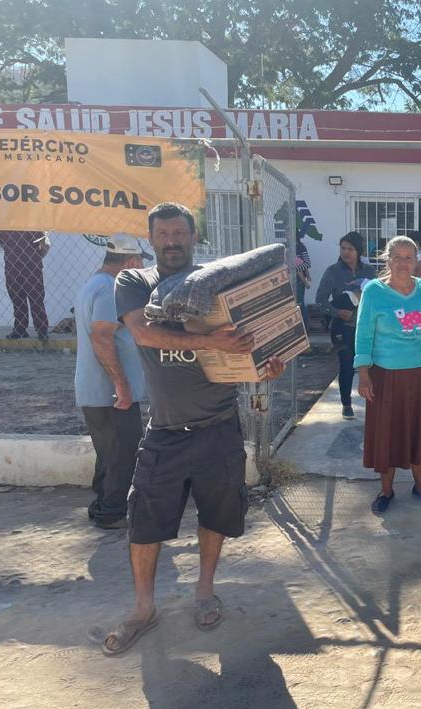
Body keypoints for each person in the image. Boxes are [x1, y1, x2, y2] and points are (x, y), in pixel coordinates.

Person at [102, 202, 285, 656]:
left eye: (179, 232)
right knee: (143, 523)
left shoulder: (215, 285)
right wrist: (209, 340)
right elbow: (144, 334)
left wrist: (265, 364)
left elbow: (242, 352)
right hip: (164, 430)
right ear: (150, 240)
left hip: (219, 426)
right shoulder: (135, 282)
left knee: (216, 516)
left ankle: (204, 591)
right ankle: (144, 607)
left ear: (192, 236)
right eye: (162, 233)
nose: (171, 241)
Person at [355, 236, 421, 514]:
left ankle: (420, 487)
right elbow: (363, 334)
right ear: (387, 260)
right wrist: (363, 373)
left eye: (408, 257)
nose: (403, 263)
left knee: (420, 431)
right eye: (397, 257)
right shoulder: (374, 292)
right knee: (385, 434)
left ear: (417, 262)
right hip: (385, 376)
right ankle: (386, 491)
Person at [75, 234, 150, 530]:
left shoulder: (93, 284)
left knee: (109, 452)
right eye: (142, 262)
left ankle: (102, 505)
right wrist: (122, 385)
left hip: (96, 390)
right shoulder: (110, 288)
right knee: (123, 452)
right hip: (111, 392)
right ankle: (112, 513)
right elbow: (103, 337)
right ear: (130, 262)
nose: (143, 268)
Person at [316, 232, 378, 420]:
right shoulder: (332, 272)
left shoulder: (369, 272)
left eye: (350, 249)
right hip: (343, 328)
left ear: (359, 251)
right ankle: (346, 404)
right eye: (343, 248)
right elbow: (320, 300)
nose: (346, 252)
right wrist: (337, 313)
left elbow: (378, 297)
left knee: (371, 366)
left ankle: (374, 402)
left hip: (367, 328)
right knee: (346, 366)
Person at [0, 229, 50, 340]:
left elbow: (45, 244)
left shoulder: (31, 224)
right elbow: (3, 244)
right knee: (16, 298)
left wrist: (35, 258)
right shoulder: (5, 225)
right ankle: (20, 329)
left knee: (36, 299)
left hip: (31, 268)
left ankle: (41, 330)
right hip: (12, 268)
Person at [294, 239, 312, 332]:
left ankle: (305, 329)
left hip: (299, 280)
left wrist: (295, 269)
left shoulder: (301, 247)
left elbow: (308, 264)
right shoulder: (286, 246)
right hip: (292, 279)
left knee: (300, 304)